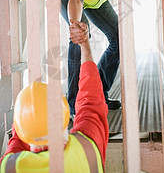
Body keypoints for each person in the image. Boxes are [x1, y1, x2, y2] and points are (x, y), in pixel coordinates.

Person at [0, 21, 109, 172]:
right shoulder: (87, 148)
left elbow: (16, 144)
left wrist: (27, 114)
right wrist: (84, 44)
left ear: (19, 128)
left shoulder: (10, 166)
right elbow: (91, 100)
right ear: (64, 116)